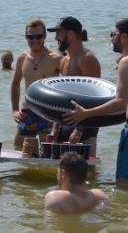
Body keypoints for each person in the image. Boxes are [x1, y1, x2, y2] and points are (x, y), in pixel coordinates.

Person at [64, 19, 128, 183]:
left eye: (113, 34)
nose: (111, 38)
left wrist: (86, 114)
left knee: (126, 185)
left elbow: (120, 102)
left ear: (123, 37)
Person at [48, 17, 101, 159]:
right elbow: (62, 97)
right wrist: (54, 129)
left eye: (59, 33)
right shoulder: (64, 60)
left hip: (86, 126)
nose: (56, 38)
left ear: (70, 34)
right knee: (63, 172)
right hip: (65, 122)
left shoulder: (87, 58)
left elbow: (94, 97)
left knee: (86, 175)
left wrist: (79, 130)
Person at [11, 19, 62, 156]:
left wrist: (59, 116)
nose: (35, 40)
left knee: (48, 154)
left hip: (48, 113)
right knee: (19, 149)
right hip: (27, 113)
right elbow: (16, 83)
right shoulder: (23, 58)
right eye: (30, 37)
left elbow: (67, 87)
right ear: (25, 37)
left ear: (45, 36)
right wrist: (15, 108)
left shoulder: (56, 58)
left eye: (38, 36)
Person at [44, 152, 109, 214]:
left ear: (63, 174)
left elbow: (51, 223)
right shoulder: (99, 195)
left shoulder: (55, 197)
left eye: (58, 172)